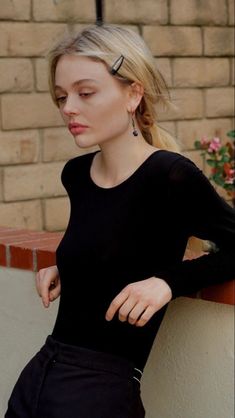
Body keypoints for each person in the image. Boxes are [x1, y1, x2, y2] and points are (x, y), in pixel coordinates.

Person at [5, 24, 235, 418]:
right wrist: (69, 264)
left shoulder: (169, 175)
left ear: (133, 93)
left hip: (100, 394)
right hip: (38, 378)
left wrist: (169, 282)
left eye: (86, 92)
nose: (68, 108)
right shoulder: (76, 175)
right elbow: (116, 240)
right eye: (61, 96)